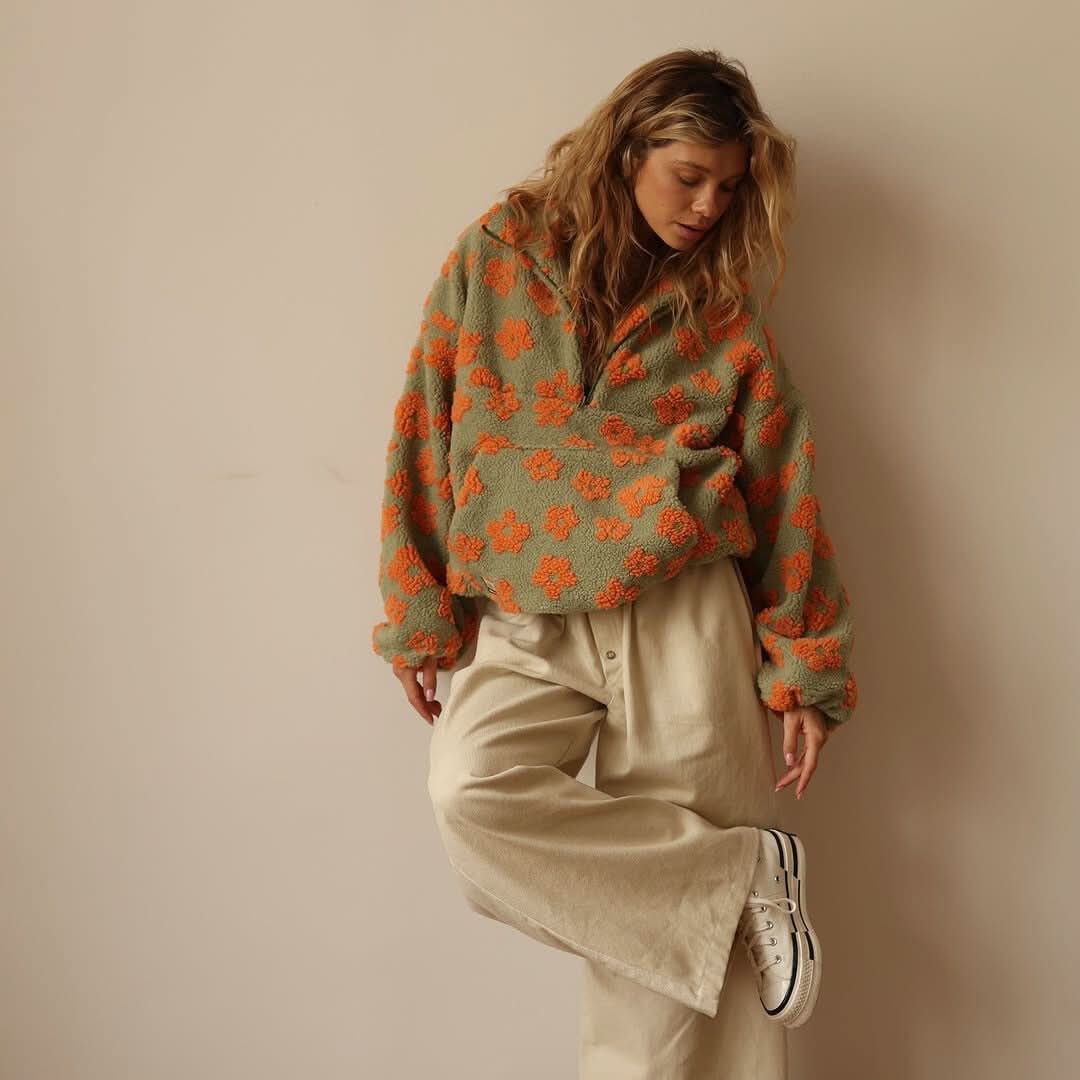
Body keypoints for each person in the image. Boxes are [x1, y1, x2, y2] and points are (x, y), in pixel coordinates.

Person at [371, 46, 858, 1079]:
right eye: (690, 176)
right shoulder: (498, 256)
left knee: (676, 986)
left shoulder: (720, 308)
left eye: (728, 187)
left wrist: (805, 663)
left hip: (682, 606)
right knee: (471, 793)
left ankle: (737, 890)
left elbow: (780, 477)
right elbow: (427, 422)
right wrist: (419, 610)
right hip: (527, 598)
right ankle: (743, 873)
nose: (708, 205)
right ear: (628, 150)